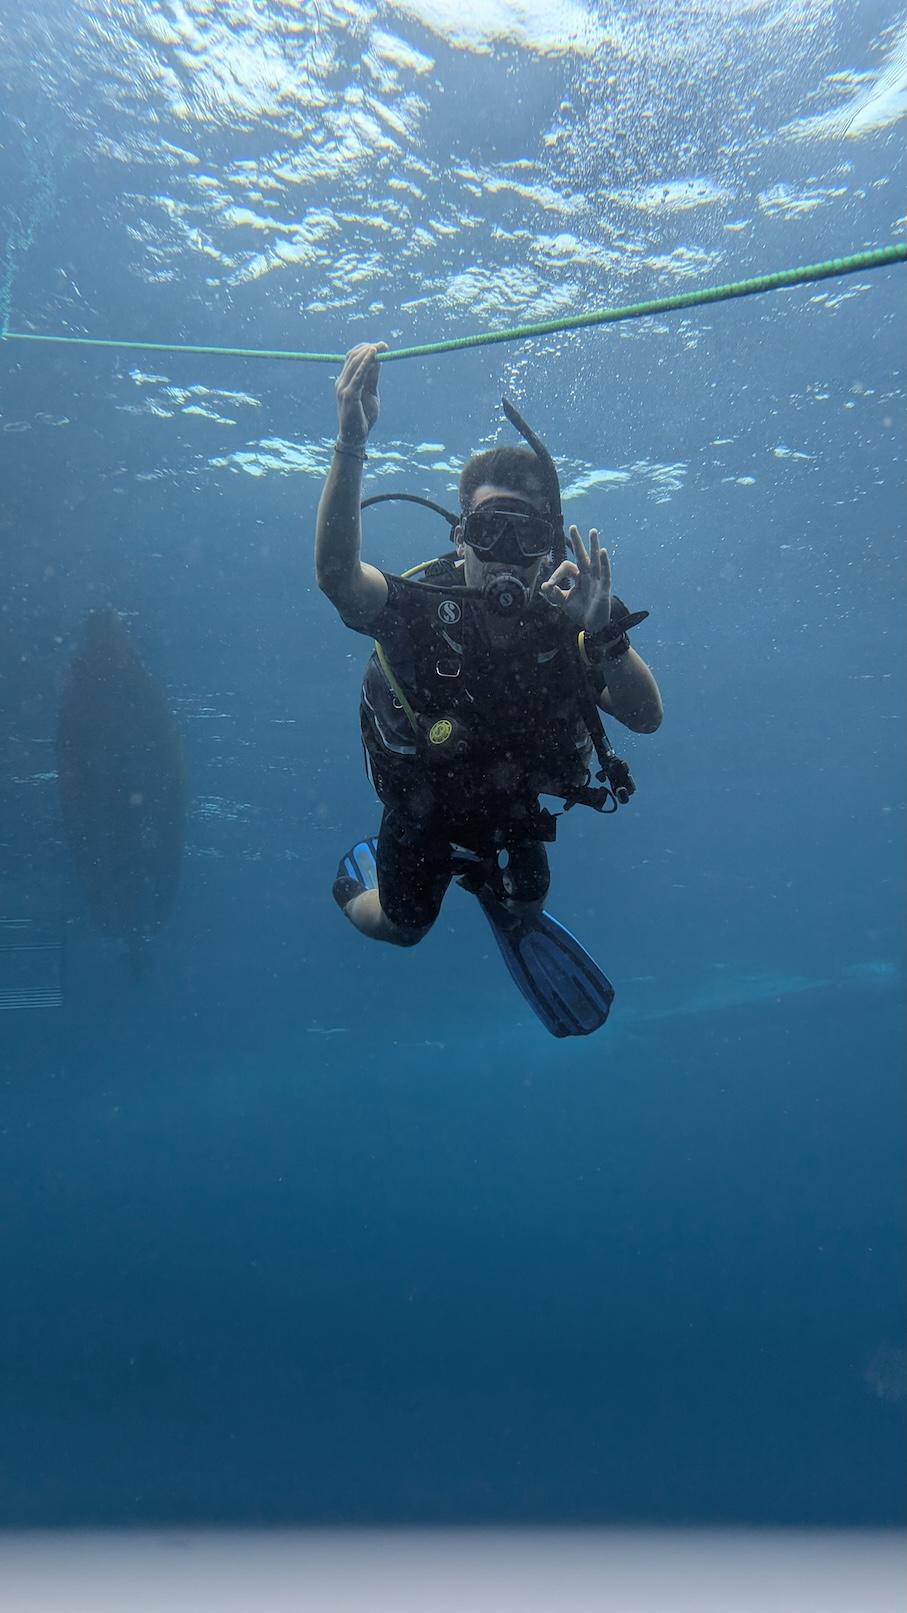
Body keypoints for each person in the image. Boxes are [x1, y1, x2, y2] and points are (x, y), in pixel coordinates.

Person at [315, 342, 663, 1036]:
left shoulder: (575, 616)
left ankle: (498, 892)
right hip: (423, 799)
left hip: (512, 796)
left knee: (529, 897)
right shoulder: (420, 606)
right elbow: (338, 578)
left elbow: (646, 717)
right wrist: (350, 443)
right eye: (486, 531)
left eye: (523, 533)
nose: (503, 553)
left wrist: (603, 637)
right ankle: (359, 884)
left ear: (550, 547)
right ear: (459, 537)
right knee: (402, 925)